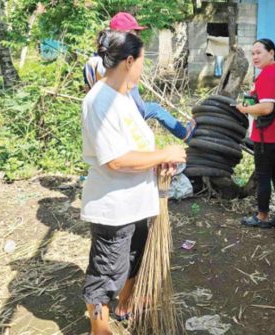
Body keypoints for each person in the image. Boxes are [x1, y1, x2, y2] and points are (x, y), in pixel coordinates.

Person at [80, 29, 186, 334]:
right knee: (105, 275)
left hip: (137, 203)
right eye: (142, 61)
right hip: (114, 207)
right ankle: (99, 329)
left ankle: (123, 306)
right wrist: (163, 152)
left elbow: (135, 147)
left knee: (132, 261)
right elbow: (115, 159)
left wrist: (158, 161)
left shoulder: (123, 97)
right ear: (129, 61)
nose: (143, 67)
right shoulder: (99, 101)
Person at [83, 12, 195, 142]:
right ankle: (186, 135)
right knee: (155, 108)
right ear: (126, 36)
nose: (138, 37)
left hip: (100, 116)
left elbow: (88, 90)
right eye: (135, 33)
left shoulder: (92, 61)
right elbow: (137, 106)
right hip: (123, 114)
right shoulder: (124, 64)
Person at [237, 39, 275, 229]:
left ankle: (262, 216)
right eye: (253, 53)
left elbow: (267, 107)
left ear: (271, 53)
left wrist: (244, 109)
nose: (255, 57)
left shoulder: (267, 75)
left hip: (266, 135)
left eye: (259, 52)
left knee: (263, 175)